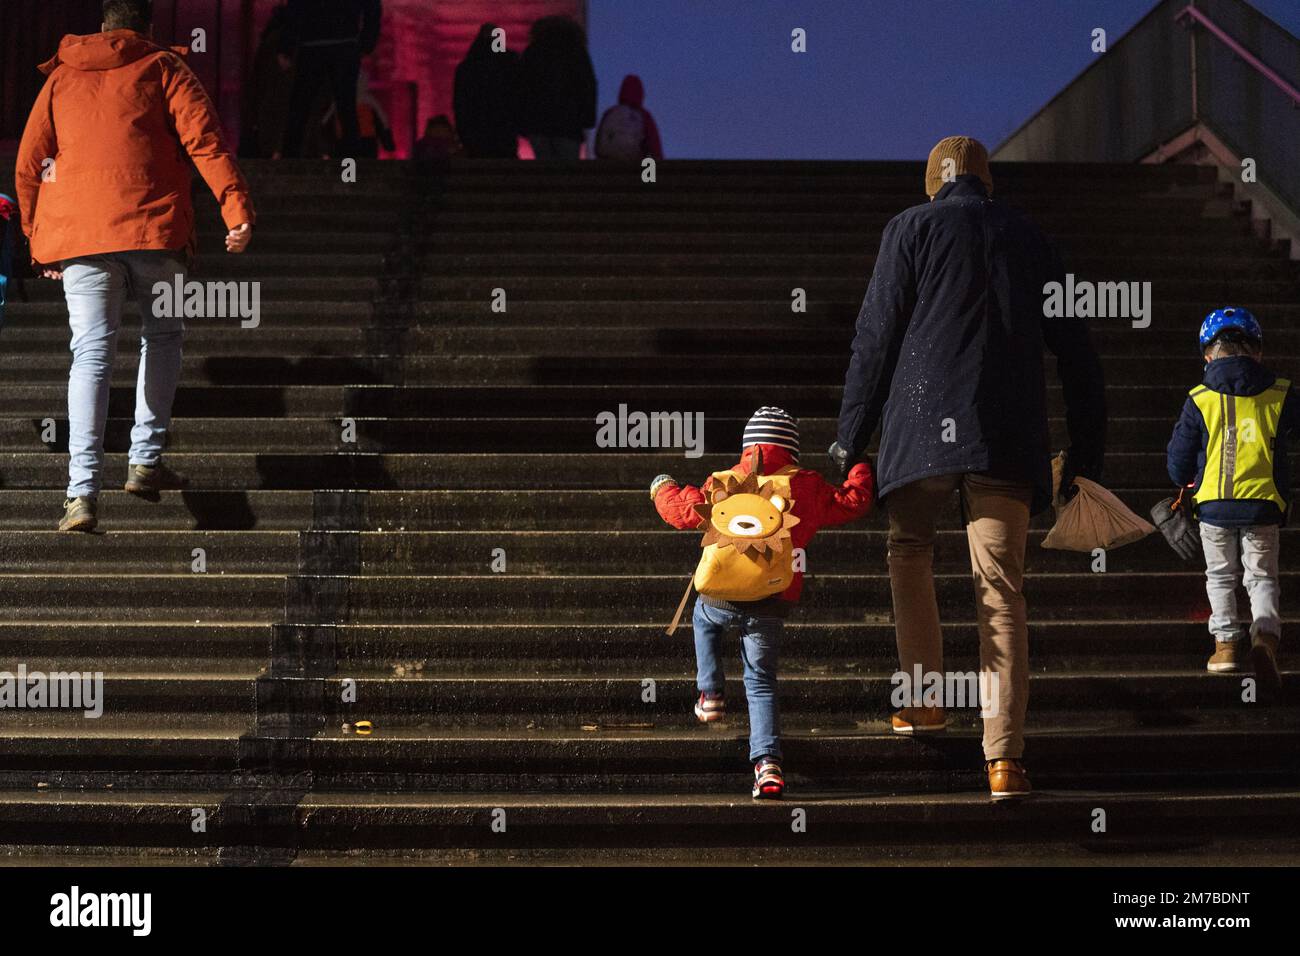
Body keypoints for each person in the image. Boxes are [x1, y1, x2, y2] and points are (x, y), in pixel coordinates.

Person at [832, 135, 1106, 801]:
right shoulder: (1028, 236)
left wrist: (850, 441)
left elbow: (875, 338)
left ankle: (926, 700)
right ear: (989, 184)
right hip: (1005, 439)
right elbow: (1076, 349)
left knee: (910, 551)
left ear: (933, 184)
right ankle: (1005, 760)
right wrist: (1086, 452)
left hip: (918, 432)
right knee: (1001, 589)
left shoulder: (908, 229)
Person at [15, 0, 255, 533]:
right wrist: (234, 209)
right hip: (155, 232)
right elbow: (205, 142)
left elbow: (30, 161)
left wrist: (38, 238)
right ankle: (144, 461)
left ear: (102, 29)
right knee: (163, 337)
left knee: (91, 352)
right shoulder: (165, 67)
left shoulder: (62, 77)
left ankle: (80, 493)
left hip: (80, 237)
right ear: (147, 29)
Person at [652, 408, 875, 799]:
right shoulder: (806, 486)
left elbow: (682, 510)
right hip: (772, 599)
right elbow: (852, 501)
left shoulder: (723, 482)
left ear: (747, 448)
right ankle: (768, 766)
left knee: (703, 616)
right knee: (760, 681)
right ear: (791, 450)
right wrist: (858, 466)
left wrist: (662, 487)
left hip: (720, 595)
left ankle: (710, 693)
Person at [1166, 308, 1296, 695]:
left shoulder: (1199, 399)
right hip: (1263, 505)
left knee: (1221, 576)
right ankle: (1265, 636)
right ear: (1257, 351)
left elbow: (1178, 462)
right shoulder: (1280, 394)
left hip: (1214, 507)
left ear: (1208, 354)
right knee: (1261, 577)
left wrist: (1182, 481)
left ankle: (1226, 647)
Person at [279, 0, 382, 158]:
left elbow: (294, 9)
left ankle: (289, 159)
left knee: (300, 106)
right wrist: (366, 42)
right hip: (344, 43)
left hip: (313, 44)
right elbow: (372, 7)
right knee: (346, 108)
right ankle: (350, 167)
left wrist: (287, 46)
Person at [519, 15, 596, 160]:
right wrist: (587, 118)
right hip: (569, 124)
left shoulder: (533, 52)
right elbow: (587, 86)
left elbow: (523, 89)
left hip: (538, 122)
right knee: (567, 171)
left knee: (545, 171)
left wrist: (523, 123)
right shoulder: (577, 53)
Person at [453, 22, 521, 159]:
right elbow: (519, 95)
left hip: (476, 127)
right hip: (504, 125)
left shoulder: (467, 67)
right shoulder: (510, 63)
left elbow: (460, 102)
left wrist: (463, 130)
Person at [595, 74, 663, 161]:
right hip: (635, 166)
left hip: (609, 166)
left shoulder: (610, 112)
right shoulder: (644, 115)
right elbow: (654, 145)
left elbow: (598, 144)